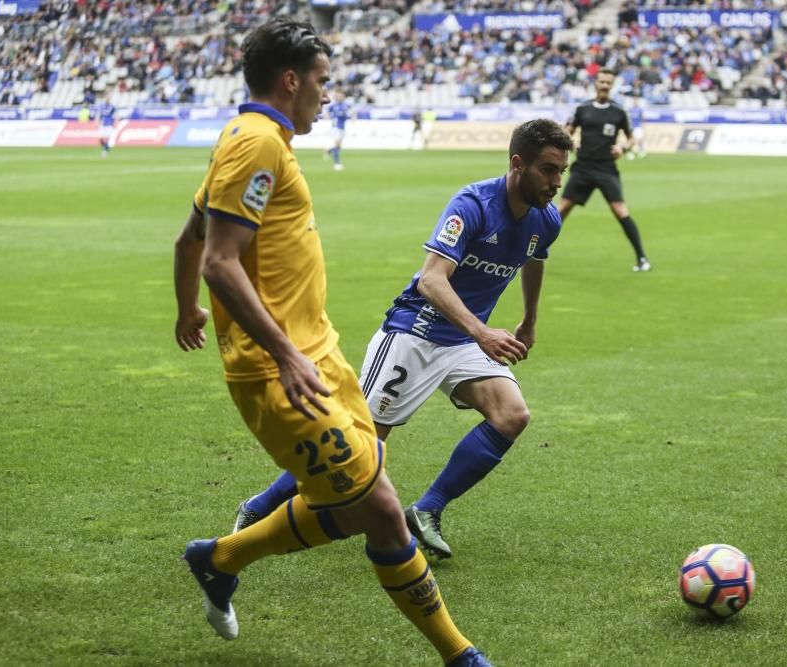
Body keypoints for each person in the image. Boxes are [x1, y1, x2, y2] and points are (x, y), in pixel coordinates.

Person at [172, 19, 490, 667]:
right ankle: (461, 656)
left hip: (322, 355)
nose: (327, 92)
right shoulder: (255, 145)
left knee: (365, 501)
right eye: (321, 79)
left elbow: (189, 238)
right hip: (280, 368)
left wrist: (187, 310)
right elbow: (218, 260)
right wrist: (282, 351)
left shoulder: (257, 139)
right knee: (379, 508)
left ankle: (221, 557)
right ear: (290, 80)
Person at [232, 119, 573, 561]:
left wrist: (529, 318)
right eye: (548, 170)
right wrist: (482, 331)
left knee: (512, 414)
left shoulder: (547, 219)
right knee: (358, 446)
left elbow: (534, 257)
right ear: (517, 164)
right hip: (417, 331)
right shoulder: (472, 204)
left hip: (464, 342)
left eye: (561, 170)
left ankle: (427, 509)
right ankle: (258, 507)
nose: (556, 181)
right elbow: (432, 281)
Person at [557, 69, 650, 273]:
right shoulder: (583, 108)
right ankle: (533, 252)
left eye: (609, 82)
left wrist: (622, 147)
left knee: (620, 211)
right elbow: (566, 131)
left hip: (606, 168)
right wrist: (571, 140)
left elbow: (631, 137)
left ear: (613, 85)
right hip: (582, 168)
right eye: (601, 81)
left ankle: (642, 258)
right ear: (595, 83)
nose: (605, 85)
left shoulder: (619, 111)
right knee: (560, 210)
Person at [326, 87, 350, 170]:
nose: (339, 96)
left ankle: (329, 151)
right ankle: (337, 163)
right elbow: (327, 112)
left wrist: (352, 117)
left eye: (341, 95)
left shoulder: (346, 105)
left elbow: (350, 113)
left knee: (339, 146)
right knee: (337, 144)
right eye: (338, 95)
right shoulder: (333, 105)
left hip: (342, 128)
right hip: (335, 128)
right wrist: (328, 116)